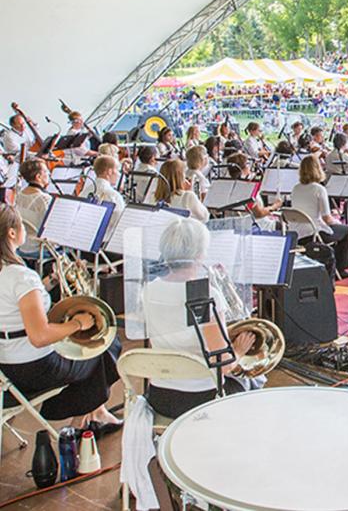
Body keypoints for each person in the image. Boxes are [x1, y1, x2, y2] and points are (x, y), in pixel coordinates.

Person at [0, 205, 123, 433]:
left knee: (92, 351)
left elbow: (14, 307)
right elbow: (39, 337)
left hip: (6, 365)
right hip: (33, 367)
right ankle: (85, 418)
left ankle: (93, 414)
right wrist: (79, 323)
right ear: (12, 233)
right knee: (103, 347)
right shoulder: (21, 277)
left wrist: (51, 282)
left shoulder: (10, 273)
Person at [141, 218, 256, 418]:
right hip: (202, 398)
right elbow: (225, 366)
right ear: (199, 255)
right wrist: (238, 350)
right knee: (252, 385)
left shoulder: (148, 290)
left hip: (160, 395)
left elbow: (172, 333)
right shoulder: (207, 296)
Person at [290, 155, 348, 278]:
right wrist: (338, 222)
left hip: (297, 233)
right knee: (346, 230)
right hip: (314, 233)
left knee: (338, 231)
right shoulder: (319, 189)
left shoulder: (295, 188)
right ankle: (341, 269)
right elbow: (327, 218)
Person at [14, 159, 52, 254]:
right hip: (40, 248)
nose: (49, 173)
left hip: (21, 246)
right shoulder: (44, 199)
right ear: (38, 177)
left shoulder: (18, 195)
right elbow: (51, 229)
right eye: (46, 171)